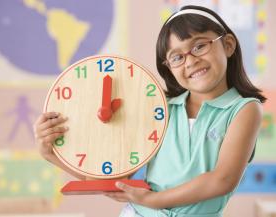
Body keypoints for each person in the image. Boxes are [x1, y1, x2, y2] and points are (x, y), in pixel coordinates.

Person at [33, 5, 266, 217]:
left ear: (228, 45)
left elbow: (222, 180)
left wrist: (154, 200)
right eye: (177, 56)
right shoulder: (160, 107)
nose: (190, 60)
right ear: (168, 67)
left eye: (199, 46)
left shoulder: (244, 109)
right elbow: (113, 180)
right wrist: (50, 154)